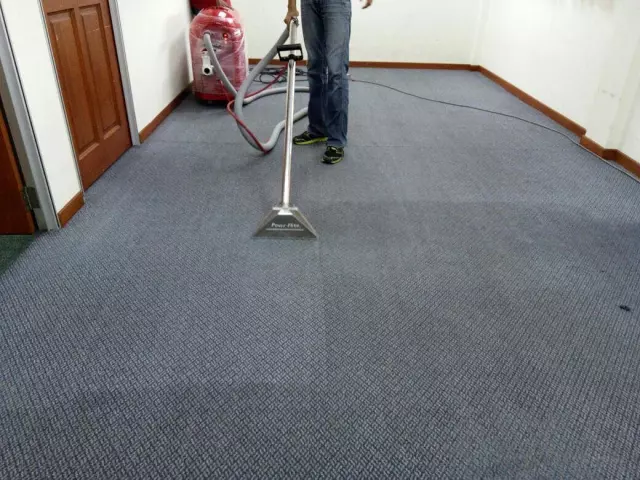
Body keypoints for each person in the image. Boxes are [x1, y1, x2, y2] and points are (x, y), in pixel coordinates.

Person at [285, 0, 373, 165]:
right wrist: (291, 7)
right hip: (309, 4)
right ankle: (318, 129)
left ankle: (336, 140)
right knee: (314, 68)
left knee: (336, 71)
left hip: (336, 4)